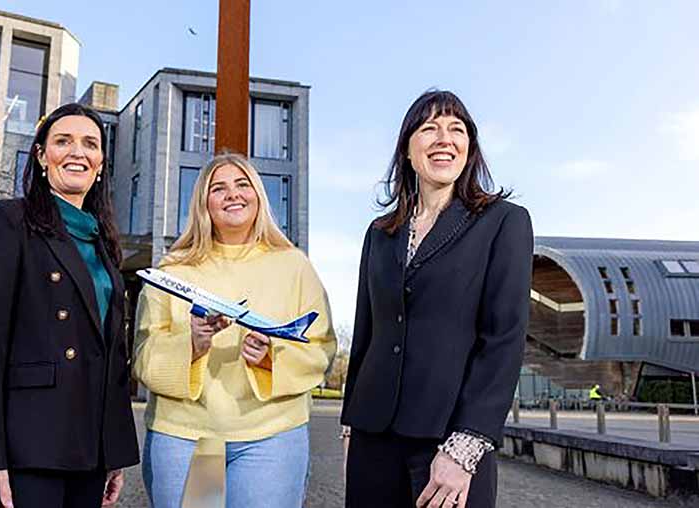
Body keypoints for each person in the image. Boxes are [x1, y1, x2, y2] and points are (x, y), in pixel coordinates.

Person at [340, 90, 533, 508]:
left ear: (469, 149)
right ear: (408, 150)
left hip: (449, 439)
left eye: (456, 129)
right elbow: (366, 334)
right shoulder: (380, 233)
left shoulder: (504, 222)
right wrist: (351, 426)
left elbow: (504, 339)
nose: (444, 138)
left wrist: (466, 445)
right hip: (373, 436)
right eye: (429, 128)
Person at [0, 103, 139, 508]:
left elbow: (110, 357)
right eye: (63, 141)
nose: (77, 152)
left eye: (90, 144)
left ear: (101, 164)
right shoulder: (8, 222)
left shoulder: (103, 242)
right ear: (41, 155)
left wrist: (113, 452)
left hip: (89, 449)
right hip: (28, 446)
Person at [133, 152, 336, 508]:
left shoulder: (294, 266)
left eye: (243, 185)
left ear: (258, 195)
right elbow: (143, 355)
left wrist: (270, 360)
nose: (233, 194)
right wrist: (191, 347)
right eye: (218, 188)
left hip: (272, 437)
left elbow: (321, 348)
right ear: (203, 202)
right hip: (188, 438)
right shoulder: (172, 269)